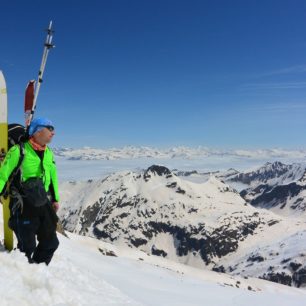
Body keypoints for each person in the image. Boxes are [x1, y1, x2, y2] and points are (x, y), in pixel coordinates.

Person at [0, 117, 59, 265]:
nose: (54, 132)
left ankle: (37, 272)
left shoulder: (48, 152)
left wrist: (55, 199)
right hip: (23, 203)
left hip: (42, 201)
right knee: (26, 248)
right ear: (38, 131)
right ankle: (22, 279)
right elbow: (2, 175)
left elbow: (52, 176)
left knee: (51, 243)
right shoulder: (19, 151)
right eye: (50, 128)